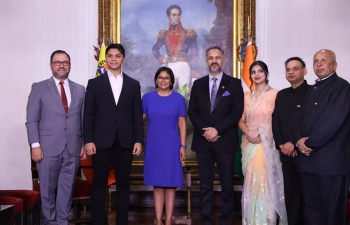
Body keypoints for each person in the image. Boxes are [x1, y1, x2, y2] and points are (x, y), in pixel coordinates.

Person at [83, 43, 144, 225]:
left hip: (125, 142)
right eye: (110, 56)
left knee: (124, 184)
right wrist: (88, 140)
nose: (113, 59)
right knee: (99, 184)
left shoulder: (133, 84)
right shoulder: (94, 83)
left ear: (123, 59)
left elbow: (136, 116)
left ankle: (122, 222)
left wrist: (138, 140)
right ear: (106, 59)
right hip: (100, 141)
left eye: (117, 56)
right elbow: (88, 114)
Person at [25, 50, 86, 225]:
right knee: (47, 191)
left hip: (73, 148)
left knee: (67, 191)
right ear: (51, 65)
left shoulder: (80, 89)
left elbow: (83, 119)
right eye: (57, 62)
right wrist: (35, 145)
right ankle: (49, 222)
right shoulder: (39, 87)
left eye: (65, 62)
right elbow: (32, 120)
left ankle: (62, 222)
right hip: (46, 148)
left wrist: (82, 143)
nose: (61, 65)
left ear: (70, 66)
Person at [294, 49, 350, 225]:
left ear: (334, 65)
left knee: (332, 213)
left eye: (323, 60)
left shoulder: (342, 87)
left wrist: (309, 143)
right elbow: (301, 120)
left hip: (330, 164)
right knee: (312, 212)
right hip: (309, 162)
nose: (319, 63)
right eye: (316, 61)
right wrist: (298, 140)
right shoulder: (313, 89)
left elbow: (332, 122)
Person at [188, 46, 244, 225]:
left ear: (223, 60)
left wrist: (216, 130)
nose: (214, 60)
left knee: (227, 184)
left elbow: (236, 112)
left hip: (225, 141)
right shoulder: (198, 84)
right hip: (203, 141)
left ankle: (227, 218)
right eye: (210, 57)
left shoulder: (234, 84)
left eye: (217, 57)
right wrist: (207, 131)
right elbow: (193, 111)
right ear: (206, 60)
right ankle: (206, 218)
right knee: (205, 184)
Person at [238, 60, 287, 225]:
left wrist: (259, 133)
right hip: (248, 143)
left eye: (260, 71)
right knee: (250, 180)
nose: (256, 74)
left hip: (266, 144)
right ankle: (251, 219)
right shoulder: (245, 96)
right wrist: (248, 133)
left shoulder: (275, 94)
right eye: (253, 72)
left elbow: (278, 120)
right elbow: (241, 120)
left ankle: (265, 220)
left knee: (263, 180)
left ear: (267, 74)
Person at [142, 67, 187, 225]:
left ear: (172, 81)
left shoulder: (179, 99)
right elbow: (139, 121)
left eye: (166, 78)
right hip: (154, 144)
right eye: (160, 77)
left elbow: (182, 123)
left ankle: (168, 221)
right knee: (158, 184)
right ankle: (159, 221)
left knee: (170, 184)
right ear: (155, 80)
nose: (163, 80)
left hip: (172, 145)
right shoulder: (147, 98)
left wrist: (183, 146)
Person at [272, 57, 310, 225]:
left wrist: (293, 143)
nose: (291, 72)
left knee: (306, 197)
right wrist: (281, 144)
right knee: (291, 197)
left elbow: (309, 122)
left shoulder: (312, 92)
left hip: (304, 153)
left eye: (295, 68)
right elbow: (275, 121)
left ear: (304, 71)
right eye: (288, 69)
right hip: (286, 154)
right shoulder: (282, 94)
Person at [152, 4, 200, 90]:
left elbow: (196, 54)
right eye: (174, 15)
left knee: (184, 94)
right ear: (168, 17)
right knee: (167, 94)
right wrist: (161, 58)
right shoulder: (165, 34)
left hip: (184, 68)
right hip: (170, 66)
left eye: (178, 15)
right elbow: (155, 49)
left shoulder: (188, 33)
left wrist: (195, 72)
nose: (177, 17)